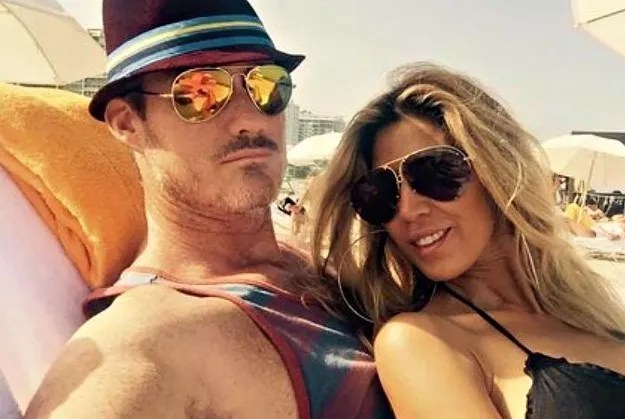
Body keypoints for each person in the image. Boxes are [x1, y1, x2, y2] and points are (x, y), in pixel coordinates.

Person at [23, 1, 392, 418]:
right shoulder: (150, 340)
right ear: (126, 122)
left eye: (266, 86)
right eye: (202, 92)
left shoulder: (315, 259)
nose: (250, 119)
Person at [308, 64, 625, 418]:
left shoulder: (586, 313)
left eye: (436, 172)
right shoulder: (423, 341)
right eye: (380, 193)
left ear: (498, 168)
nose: (408, 210)